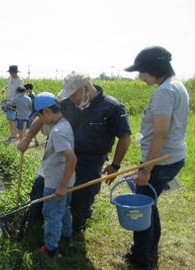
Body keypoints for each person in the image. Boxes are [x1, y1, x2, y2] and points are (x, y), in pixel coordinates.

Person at [19, 72, 131, 233]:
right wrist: (27, 138)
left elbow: (125, 137)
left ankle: (76, 229)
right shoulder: (67, 103)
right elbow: (42, 117)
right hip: (57, 157)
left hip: (89, 162)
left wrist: (115, 166)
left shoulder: (112, 107)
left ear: (85, 89)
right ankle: (34, 226)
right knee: (39, 191)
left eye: (73, 95)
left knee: (81, 200)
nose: (71, 98)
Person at [118, 46, 189, 269]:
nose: (140, 76)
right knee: (150, 204)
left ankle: (140, 256)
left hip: (160, 161)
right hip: (170, 157)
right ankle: (148, 250)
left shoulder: (164, 92)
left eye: (141, 71)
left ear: (152, 68)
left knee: (143, 207)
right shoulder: (176, 86)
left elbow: (161, 133)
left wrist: (147, 168)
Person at [29, 92, 77, 256]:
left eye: (40, 116)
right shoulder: (66, 124)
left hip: (57, 182)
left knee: (52, 215)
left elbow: (72, 159)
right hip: (67, 179)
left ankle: (50, 249)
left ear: (47, 112)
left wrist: (62, 186)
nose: (41, 120)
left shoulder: (57, 132)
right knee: (63, 211)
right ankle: (67, 237)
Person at [1, 65, 24, 142]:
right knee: (10, 119)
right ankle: (13, 134)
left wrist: (12, 102)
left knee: (14, 119)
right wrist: (4, 88)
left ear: (15, 72)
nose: (11, 74)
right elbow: (9, 84)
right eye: (10, 73)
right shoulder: (10, 78)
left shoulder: (20, 80)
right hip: (8, 101)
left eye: (12, 73)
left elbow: (20, 93)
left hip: (15, 102)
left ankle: (13, 136)